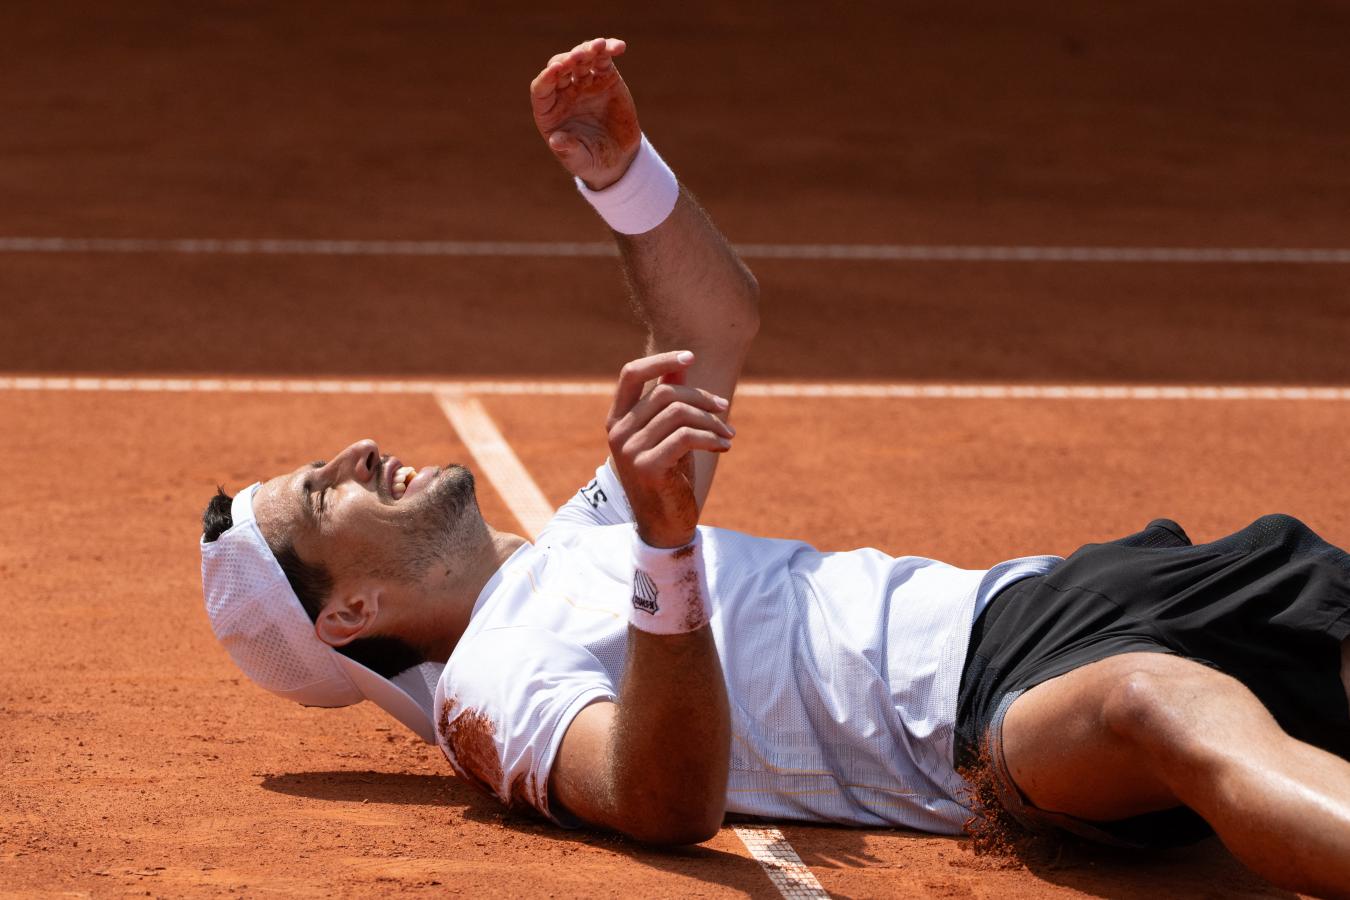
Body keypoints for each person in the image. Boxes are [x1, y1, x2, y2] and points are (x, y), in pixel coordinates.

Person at [199, 38, 1350, 897]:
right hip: (990, 719)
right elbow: (662, 803)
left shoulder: (569, 546)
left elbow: (716, 323)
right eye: (322, 494)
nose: (351, 457)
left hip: (1043, 599)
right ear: (349, 611)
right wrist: (663, 548)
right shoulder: (487, 698)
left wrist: (623, 172)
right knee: (1167, 704)